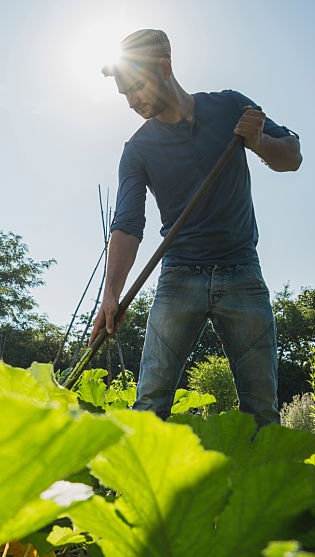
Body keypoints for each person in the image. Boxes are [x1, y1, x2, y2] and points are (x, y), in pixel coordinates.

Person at [89, 29, 302, 427]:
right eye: (125, 96)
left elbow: (291, 156)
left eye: (136, 89)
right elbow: (127, 225)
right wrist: (112, 294)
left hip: (242, 274)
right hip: (178, 277)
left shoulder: (230, 107)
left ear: (165, 67)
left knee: (262, 410)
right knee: (150, 403)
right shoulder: (138, 149)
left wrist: (258, 143)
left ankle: (266, 487)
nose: (132, 102)